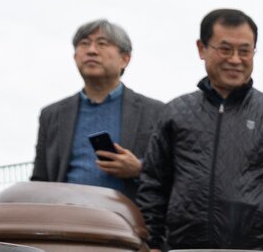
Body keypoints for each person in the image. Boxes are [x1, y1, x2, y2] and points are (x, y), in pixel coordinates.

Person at [136, 9, 263, 252]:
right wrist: (152, 243)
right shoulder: (175, 113)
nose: (235, 60)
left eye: (245, 50)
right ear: (201, 48)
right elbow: (153, 184)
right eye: (225, 49)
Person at [32, 19, 165, 201]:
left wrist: (139, 169)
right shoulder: (52, 115)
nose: (91, 50)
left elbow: (175, 171)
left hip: (128, 222)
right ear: (75, 56)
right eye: (84, 44)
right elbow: (40, 180)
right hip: (65, 220)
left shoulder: (155, 112)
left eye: (102, 44)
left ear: (124, 59)